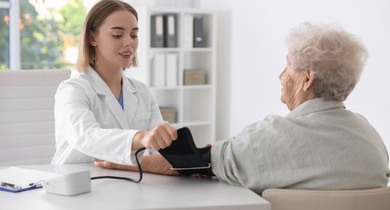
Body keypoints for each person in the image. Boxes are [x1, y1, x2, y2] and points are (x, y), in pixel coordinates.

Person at [94, 22, 390, 194]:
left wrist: (123, 160)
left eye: (288, 66)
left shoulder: (275, 136)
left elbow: (194, 162)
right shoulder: (371, 137)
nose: (280, 75)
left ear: (307, 79)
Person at [51, 0, 177, 165]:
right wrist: (141, 137)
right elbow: (87, 137)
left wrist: (193, 156)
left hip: (128, 183)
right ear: (92, 38)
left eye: (134, 35)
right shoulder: (73, 90)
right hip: (78, 183)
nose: (129, 42)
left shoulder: (142, 92)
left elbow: (161, 147)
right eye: (117, 35)